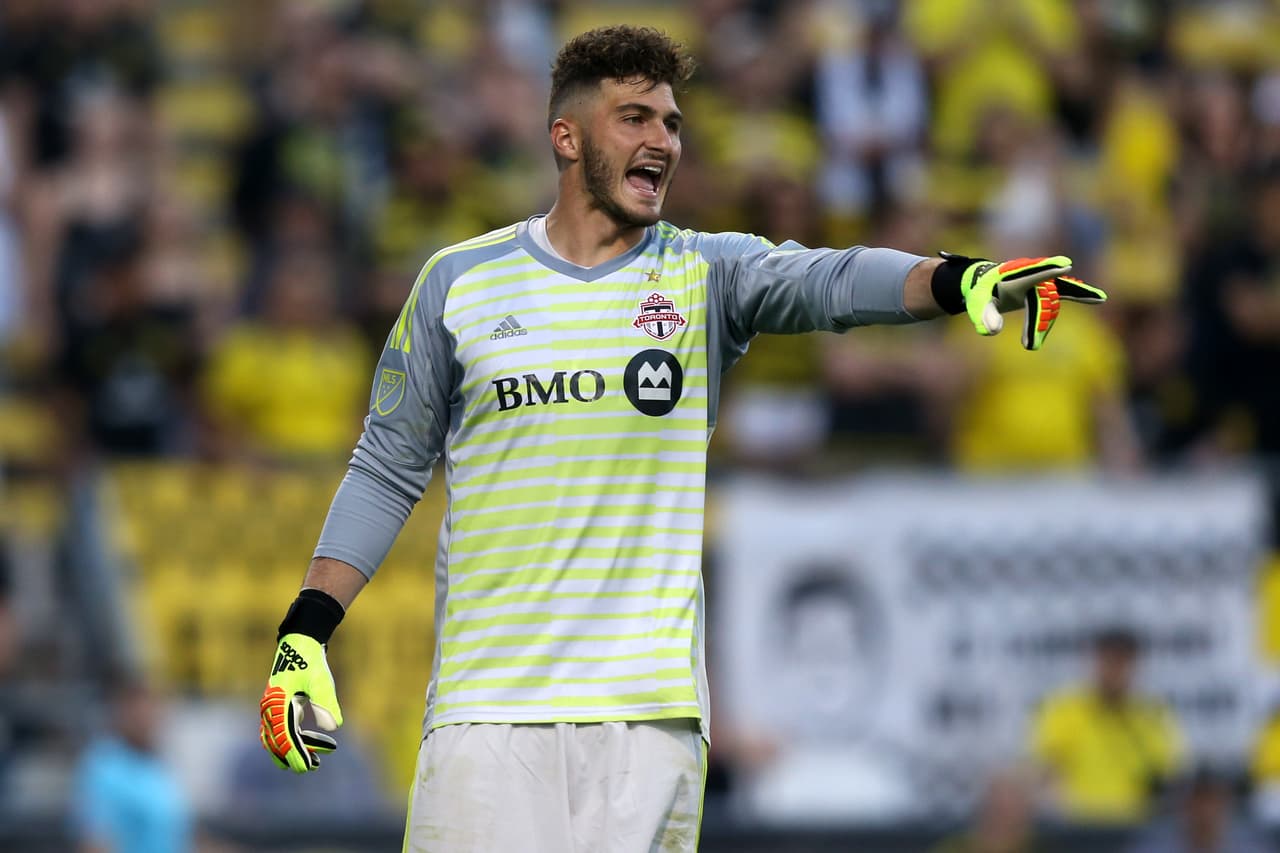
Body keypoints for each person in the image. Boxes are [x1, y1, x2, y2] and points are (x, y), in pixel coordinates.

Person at [256, 25, 1107, 852]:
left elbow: (832, 280)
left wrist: (959, 279)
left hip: (648, 719)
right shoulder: (459, 283)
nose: (662, 139)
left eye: (671, 123)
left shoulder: (706, 272)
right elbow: (384, 469)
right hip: (489, 710)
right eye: (635, 118)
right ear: (566, 134)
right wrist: (304, 634)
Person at [1029, 627, 1185, 824]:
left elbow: (1167, 776)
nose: (1114, 671)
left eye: (1122, 663)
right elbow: (1046, 774)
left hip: (1137, 829)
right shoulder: (1064, 709)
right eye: (1108, 661)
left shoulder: (1153, 714)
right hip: (1078, 826)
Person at [73, 673, 193, 853]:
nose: (145, 717)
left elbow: (181, 837)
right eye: (137, 708)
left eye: (152, 707)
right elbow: (94, 843)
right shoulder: (102, 766)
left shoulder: (161, 765)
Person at [1128, 766, 1274, 853]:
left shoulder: (1253, 849)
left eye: (1212, 803)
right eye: (1197, 803)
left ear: (1226, 807)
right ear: (1183, 808)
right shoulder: (1153, 848)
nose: (1205, 813)